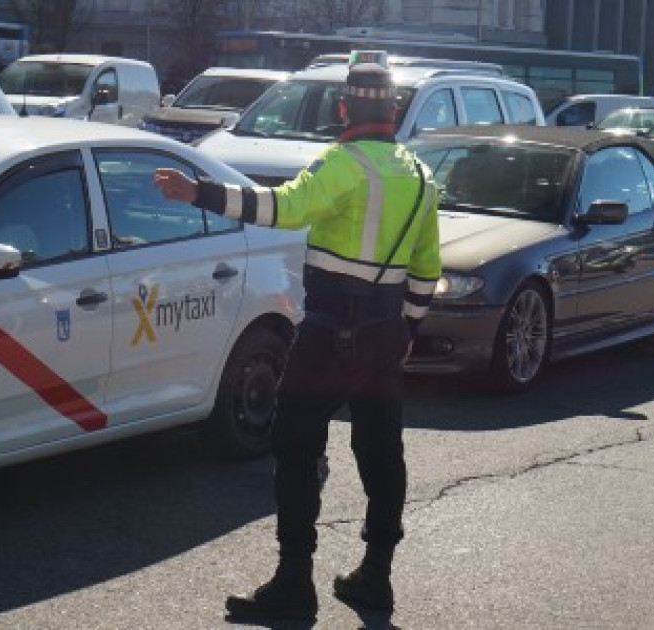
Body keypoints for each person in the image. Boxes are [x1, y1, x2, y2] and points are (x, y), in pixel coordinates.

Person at [154, 56, 441, 622]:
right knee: (382, 455)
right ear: (392, 111)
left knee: (295, 449)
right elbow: (427, 271)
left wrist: (200, 193)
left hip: (332, 332)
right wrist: (407, 328)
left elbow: (283, 208)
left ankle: (293, 584)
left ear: (343, 109)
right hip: (384, 335)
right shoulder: (419, 174)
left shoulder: (344, 163)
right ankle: (376, 579)